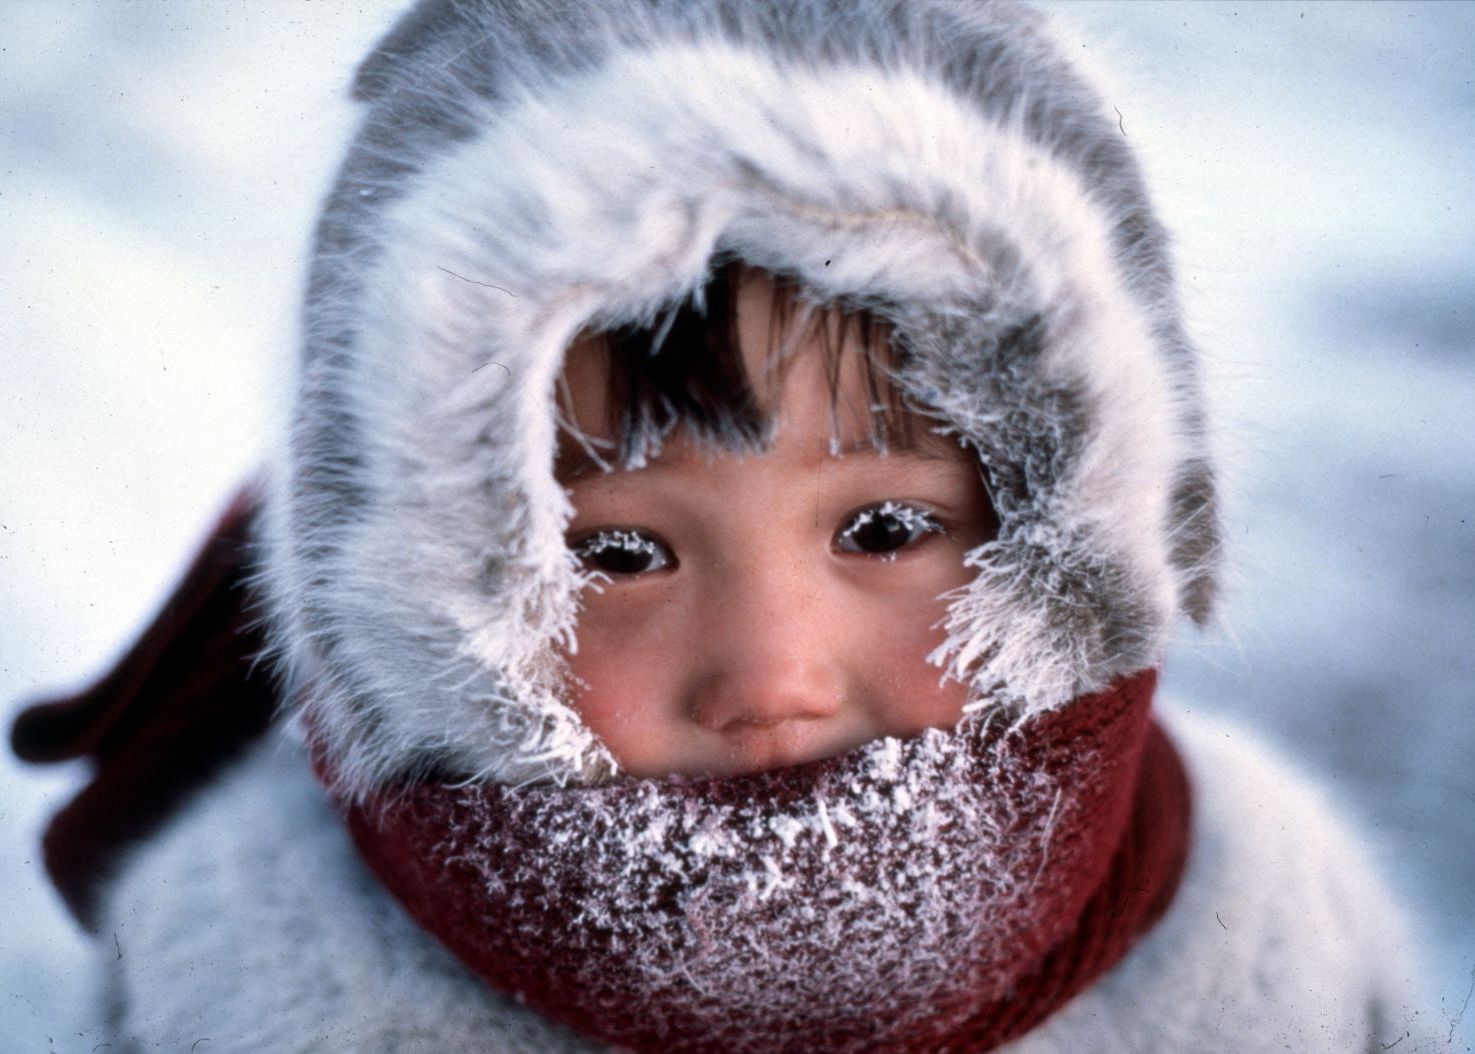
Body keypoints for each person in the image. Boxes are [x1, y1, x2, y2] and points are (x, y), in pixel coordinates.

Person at [11, 1, 1435, 1050]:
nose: (769, 674)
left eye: (880, 526)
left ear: (1071, 518)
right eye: (621, 554)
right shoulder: (252, 962)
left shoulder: (1258, 927)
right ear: (427, 584)